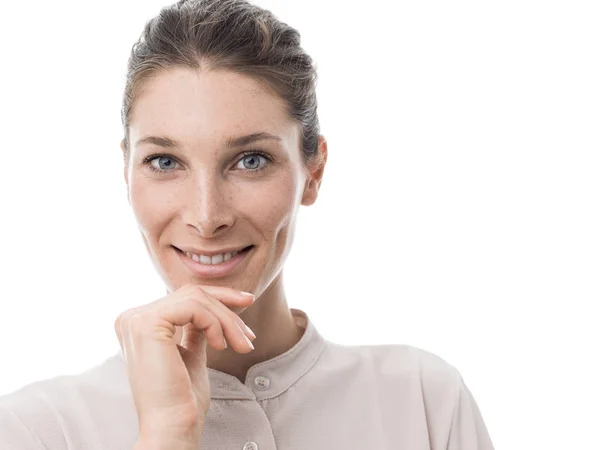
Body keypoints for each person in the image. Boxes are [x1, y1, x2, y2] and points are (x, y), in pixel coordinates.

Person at [0, 0, 495, 448]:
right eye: (166, 162)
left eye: (251, 160)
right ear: (126, 170)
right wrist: (168, 433)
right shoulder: (38, 429)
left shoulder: (424, 404)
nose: (206, 216)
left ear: (313, 173)